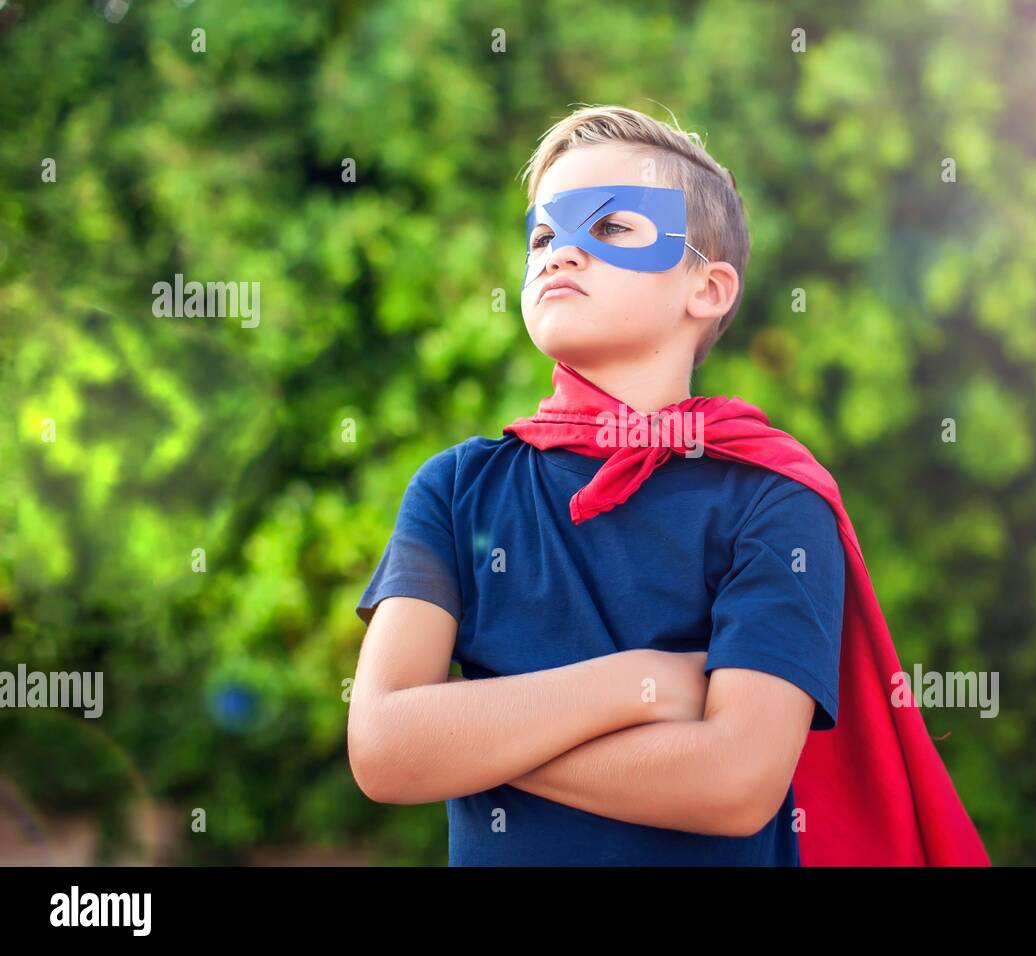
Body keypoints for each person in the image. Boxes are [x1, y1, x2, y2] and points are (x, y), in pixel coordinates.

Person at [347, 104, 988, 867]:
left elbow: (735, 783)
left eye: (612, 227)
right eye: (544, 236)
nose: (561, 254)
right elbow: (384, 749)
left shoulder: (775, 501)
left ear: (709, 288)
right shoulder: (456, 489)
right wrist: (640, 684)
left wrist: (470, 745)